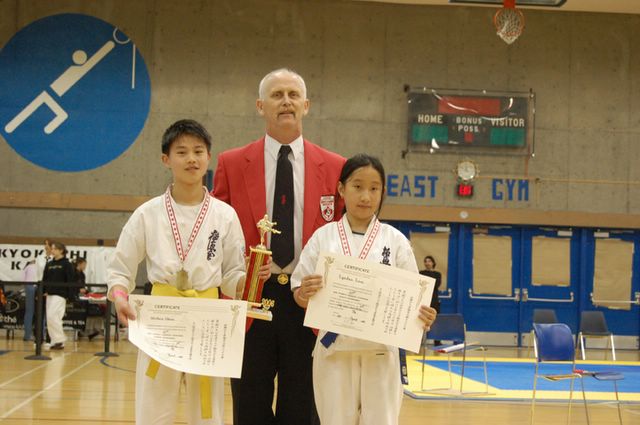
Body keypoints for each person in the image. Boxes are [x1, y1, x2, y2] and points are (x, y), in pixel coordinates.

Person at [107, 119, 264, 425]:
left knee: (207, 412)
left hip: (208, 317)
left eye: (198, 151)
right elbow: (120, 268)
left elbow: (231, 275)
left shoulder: (224, 215)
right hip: (160, 317)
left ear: (209, 157)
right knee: (153, 410)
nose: (191, 159)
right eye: (181, 152)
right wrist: (120, 296)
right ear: (166, 159)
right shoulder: (147, 213)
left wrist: (250, 278)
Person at [213, 68, 345, 425]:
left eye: (293, 94)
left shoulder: (336, 167)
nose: (286, 101)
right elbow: (216, 229)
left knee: (302, 408)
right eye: (276, 95)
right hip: (251, 298)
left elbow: (345, 236)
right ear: (260, 106)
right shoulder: (231, 163)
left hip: (308, 300)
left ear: (306, 105)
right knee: (249, 405)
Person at [291, 154, 437, 425]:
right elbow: (299, 293)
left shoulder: (395, 241)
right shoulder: (324, 237)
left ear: (383, 192)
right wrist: (303, 293)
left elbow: (413, 301)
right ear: (341, 188)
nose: (365, 196)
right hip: (334, 349)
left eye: (374, 188)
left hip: (381, 351)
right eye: (357, 186)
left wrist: (424, 315)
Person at [42, 241, 75, 350]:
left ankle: (60, 340)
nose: (52, 251)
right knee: (50, 318)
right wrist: (43, 291)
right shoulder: (49, 264)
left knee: (53, 316)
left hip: (60, 294)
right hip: (49, 294)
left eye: (54, 249)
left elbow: (70, 280)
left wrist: (70, 295)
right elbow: (45, 279)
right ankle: (55, 341)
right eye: (51, 249)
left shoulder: (67, 264)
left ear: (61, 250)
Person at [22, 259, 38, 341]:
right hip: (38, 286)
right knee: (40, 312)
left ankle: (27, 335)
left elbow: (22, 279)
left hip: (29, 286)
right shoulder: (39, 266)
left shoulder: (27, 267)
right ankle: (40, 335)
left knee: (29, 312)